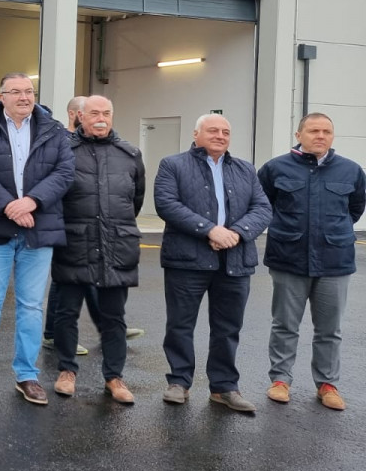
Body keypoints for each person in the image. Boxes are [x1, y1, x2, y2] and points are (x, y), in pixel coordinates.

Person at [0, 73, 73, 406]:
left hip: (39, 228)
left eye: (29, 91)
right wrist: (9, 206)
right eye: (16, 92)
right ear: (2, 96)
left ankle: (27, 375)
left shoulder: (54, 129)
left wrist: (32, 201)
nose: (24, 97)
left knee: (30, 306)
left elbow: (65, 172)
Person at [155, 114, 271, 412]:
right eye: (213, 130)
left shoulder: (245, 169)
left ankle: (224, 387)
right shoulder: (173, 164)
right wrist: (209, 230)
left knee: (228, 327)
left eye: (226, 131)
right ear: (196, 134)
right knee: (180, 324)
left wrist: (235, 233)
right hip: (186, 260)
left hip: (234, 260)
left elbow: (262, 208)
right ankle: (179, 382)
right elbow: (167, 204)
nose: (220, 135)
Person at [258, 113, 365, 410]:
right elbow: (263, 206)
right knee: (284, 324)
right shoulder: (275, 168)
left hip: (335, 261)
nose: (320, 136)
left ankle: (328, 385)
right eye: (314, 130)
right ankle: (280, 380)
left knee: (330, 329)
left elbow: (354, 209)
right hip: (288, 258)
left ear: (332, 136)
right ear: (298, 134)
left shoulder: (351, 171)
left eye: (326, 131)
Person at [49, 95, 145, 404]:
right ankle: (66, 371)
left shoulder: (130, 154)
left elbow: (135, 200)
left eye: (106, 112)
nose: (100, 118)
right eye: (94, 113)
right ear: (80, 116)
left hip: (117, 245)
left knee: (114, 317)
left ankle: (114, 378)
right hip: (74, 243)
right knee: (66, 314)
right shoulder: (62, 151)